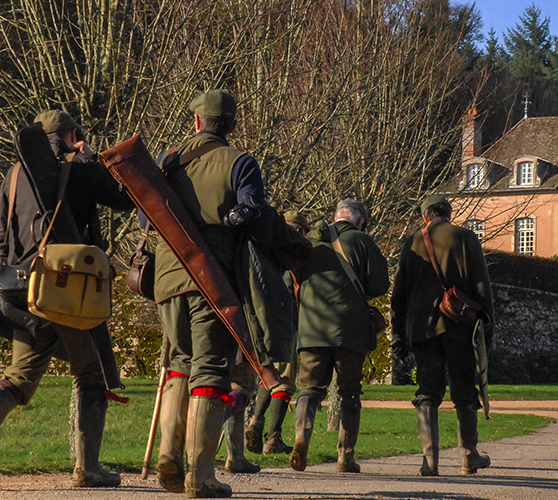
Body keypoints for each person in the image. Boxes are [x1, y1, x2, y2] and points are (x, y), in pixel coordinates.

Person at [0, 109, 135, 487]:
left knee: (17, 379)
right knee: (91, 373)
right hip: (66, 290)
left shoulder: (12, 174)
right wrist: (89, 157)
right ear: (72, 135)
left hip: (20, 288)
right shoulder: (77, 167)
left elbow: (0, 234)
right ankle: (88, 469)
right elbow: (124, 199)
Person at [154, 89, 275, 498]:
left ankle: (168, 455)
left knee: (180, 362)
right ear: (233, 126)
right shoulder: (241, 162)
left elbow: (144, 212)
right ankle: (200, 475)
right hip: (213, 278)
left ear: (196, 122)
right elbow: (252, 212)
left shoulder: (168, 160)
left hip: (168, 277)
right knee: (210, 369)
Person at [390, 194, 494, 476]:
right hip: (460, 328)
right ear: (449, 213)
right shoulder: (466, 237)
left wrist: (398, 334)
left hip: (423, 331)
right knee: (464, 390)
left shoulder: (412, 242)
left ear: (425, 217)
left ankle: (430, 461)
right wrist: (488, 325)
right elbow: (482, 286)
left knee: (426, 392)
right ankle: (469, 455)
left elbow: (398, 294)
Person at [289, 199, 389, 473]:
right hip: (350, 331)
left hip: (311, 329)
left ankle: (301, 438)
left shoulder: (307, 241)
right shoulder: (362, 240)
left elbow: (289, 281)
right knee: (349, 393)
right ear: (358, 220)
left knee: (309, 389)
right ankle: (345, 457)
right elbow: (380, 285)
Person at [244, 210, 309, 455]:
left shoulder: (262, 246)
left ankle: (255, 423)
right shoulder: (293, 254)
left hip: (259, 319)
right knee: (285, 381)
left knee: (269, 374)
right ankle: (272, 438)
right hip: (286, 322)